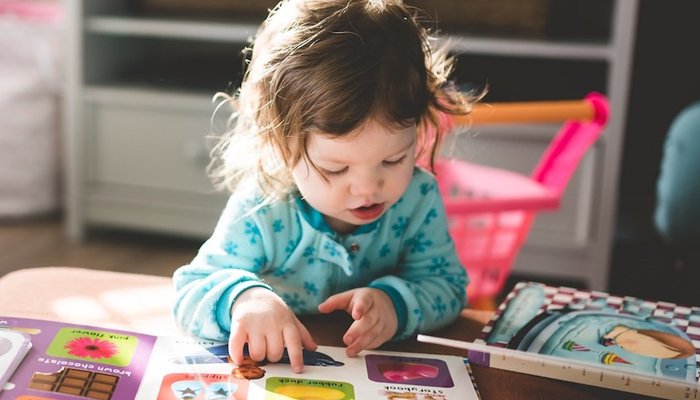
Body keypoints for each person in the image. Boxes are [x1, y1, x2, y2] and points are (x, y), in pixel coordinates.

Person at [173, 0, 478, 374]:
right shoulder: (264, 206)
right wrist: (244, 300)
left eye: (394, 160)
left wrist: (395, 304)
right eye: (335, 169)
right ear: (280, 147)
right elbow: (192, 289)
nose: (368, 188)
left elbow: (447, 286)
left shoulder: (418, 198)